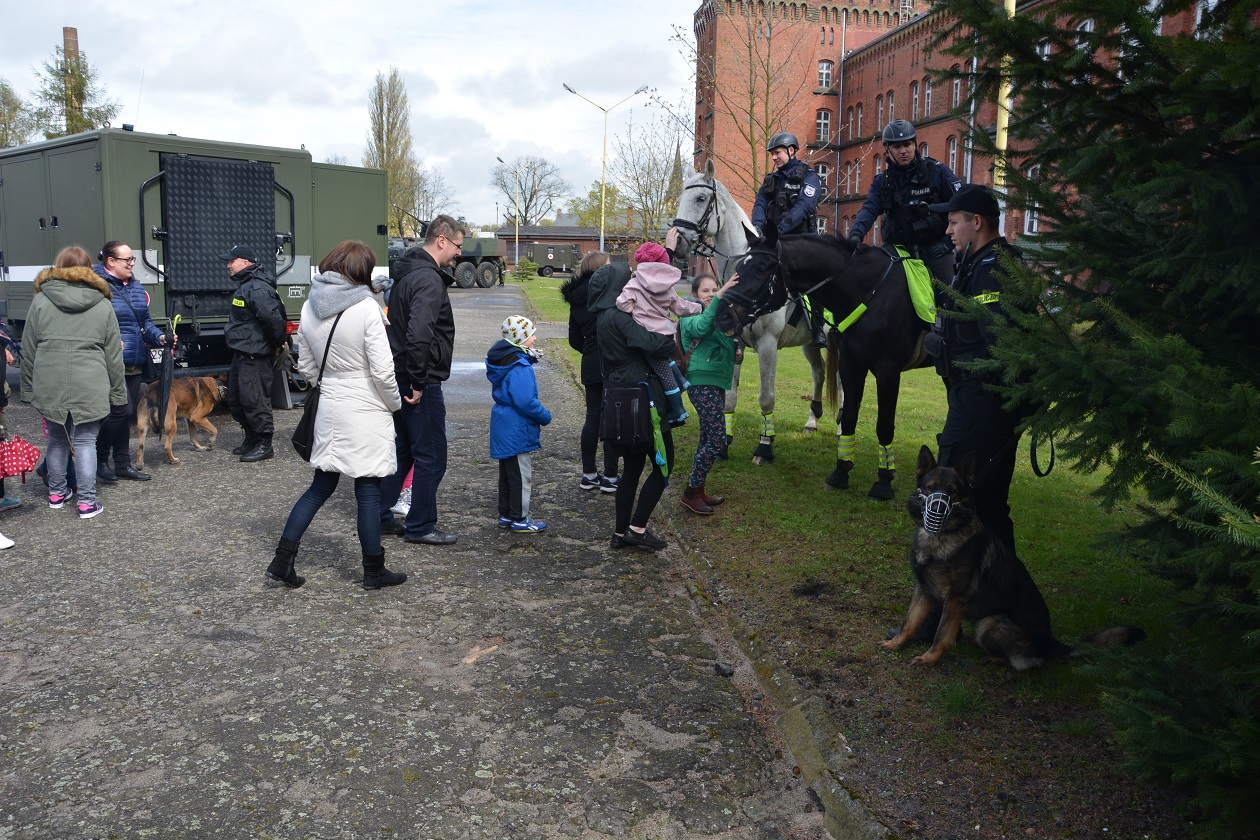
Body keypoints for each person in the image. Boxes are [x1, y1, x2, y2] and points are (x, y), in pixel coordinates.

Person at [266, 241, 405, 590]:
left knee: (319, 487)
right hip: (366, 406)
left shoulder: (310, 306)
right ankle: (373, 570)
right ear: (361, 271)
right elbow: (384, 372)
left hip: (329, 403)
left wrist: (329, 386)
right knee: (369, 491)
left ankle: (282, 560)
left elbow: (308, 365)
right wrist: (393, 405)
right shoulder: (368, 308)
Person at [924, 184, 1029, 554]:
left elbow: (1000, 347)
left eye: (953, 222)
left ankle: (971, 587)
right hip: (973, 399)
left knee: (957, 494)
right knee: (985, 502)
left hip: (982, 403)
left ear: (977, 222)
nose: (948, 230)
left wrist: (953, 360)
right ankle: (995, 587)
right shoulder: (977, 263)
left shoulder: (994, 267)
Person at [20, 245, 126, 520]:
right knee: (86, 442)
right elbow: (113, 354)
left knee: (57, 440)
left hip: (50, 380)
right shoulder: (103, 303)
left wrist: (28, 388)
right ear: (89, 268)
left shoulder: (41, 300)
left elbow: (28, 348)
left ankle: (56, 494)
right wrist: (118, 393)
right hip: (90, 381)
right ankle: (87, 503)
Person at [378, 214, 465, 546]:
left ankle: (382, 515)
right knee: (431, 455)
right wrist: (418, 381)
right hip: (418, 382)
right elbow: (418, 336)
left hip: (398, 376)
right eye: (457, 245)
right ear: (441, 240)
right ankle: (420, 525)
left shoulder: (406, 274)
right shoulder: (428, 279)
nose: (459, 253)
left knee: (403, 451)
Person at [588, 247, 679, 551]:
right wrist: (670, 334)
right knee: (664, 466)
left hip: (618, 401)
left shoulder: (602, 316)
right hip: (642, 402)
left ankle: (619, 533)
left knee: (633, 468)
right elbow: (655, 346)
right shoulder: (619, 317)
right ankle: (637, 528)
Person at [848, 119, 962, 285]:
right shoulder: (883, 182)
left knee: (953, 291)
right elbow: (868, 210)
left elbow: (960, 206)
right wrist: (855, 235)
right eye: (897, 147)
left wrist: (946, 245)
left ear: (914, 145)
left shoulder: (937, 172)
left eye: (907, 144)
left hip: (935, 249)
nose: (903, 151)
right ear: (888, 150)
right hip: (898, 251)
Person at [93, 241, 170, 483]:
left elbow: (144, 322)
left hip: (134, 362)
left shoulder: (135, 286)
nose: (132, 264)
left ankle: (122, 464)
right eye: (127, 260)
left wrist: (160, 336)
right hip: (110, 363)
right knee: (121, 411)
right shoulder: (96, 286)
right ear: (110, 261)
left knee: (123, 416)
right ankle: (99, 459)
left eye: (133, 259)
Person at [751, 130, 828, 348]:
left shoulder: (809, 176)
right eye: (772, 154)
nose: (774, 157)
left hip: (803, 241)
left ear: (791, 151)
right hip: (776, 241)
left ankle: (817, 328)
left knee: (814, 281)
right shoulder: (771, 180)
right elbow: (759, 205)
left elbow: (804, 207)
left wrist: (779, 229)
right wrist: (757, 226)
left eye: (777, 153)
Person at [615, 241, 701, 426]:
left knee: (663, 373)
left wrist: (635, 312)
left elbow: (622, 304)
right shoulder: (667, 287)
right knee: (664, 360)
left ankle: (678, 410)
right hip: (665, 335)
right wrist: (699, 307)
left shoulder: (635, 284)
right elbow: (680, 307)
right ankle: (681, 380)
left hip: (648, 337)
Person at [678, 273, 739, 515]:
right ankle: (691, 493)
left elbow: (724, 340)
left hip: (714, 383)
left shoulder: (714, 315)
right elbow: (702, 327)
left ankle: (698, 489)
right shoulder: (689, 314)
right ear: (695, 294)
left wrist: (735, 353)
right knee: (716, 439)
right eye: (706, 291)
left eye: (715, 289)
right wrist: (721, 297)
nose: (711, 294)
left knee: (707, 438)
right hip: (701, 384)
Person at [220, 244, 287, 463]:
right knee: (237, 400)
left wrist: (276, 344)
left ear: (246, 263)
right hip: (241, 354)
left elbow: (273, 321)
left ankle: (264, 444)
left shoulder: (257, 288)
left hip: (255, 356)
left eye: (232, 261)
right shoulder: (246, 285)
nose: (228, 265)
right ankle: (251, 438)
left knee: (255, 401)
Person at [486, 315, 552, 533]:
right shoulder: (520, 366)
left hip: (504, 425)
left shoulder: (504, 361)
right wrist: (544, 416)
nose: (535, 338)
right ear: (521, 338)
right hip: (516, 429)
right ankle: (520, 518)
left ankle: (506, 514)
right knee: (522, 476)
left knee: (507, 475)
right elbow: (525, 401)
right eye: (532, 334)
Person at [560, 251, 619, 493]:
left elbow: (574, 338)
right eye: (608, 265)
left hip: (591, 360)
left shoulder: (576, 298)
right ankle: (611, 476)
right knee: (613, 418)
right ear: (599, 269)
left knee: (592, 417)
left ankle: (589, 473)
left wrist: (590, 348)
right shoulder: (610, 292)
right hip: (613, 360)